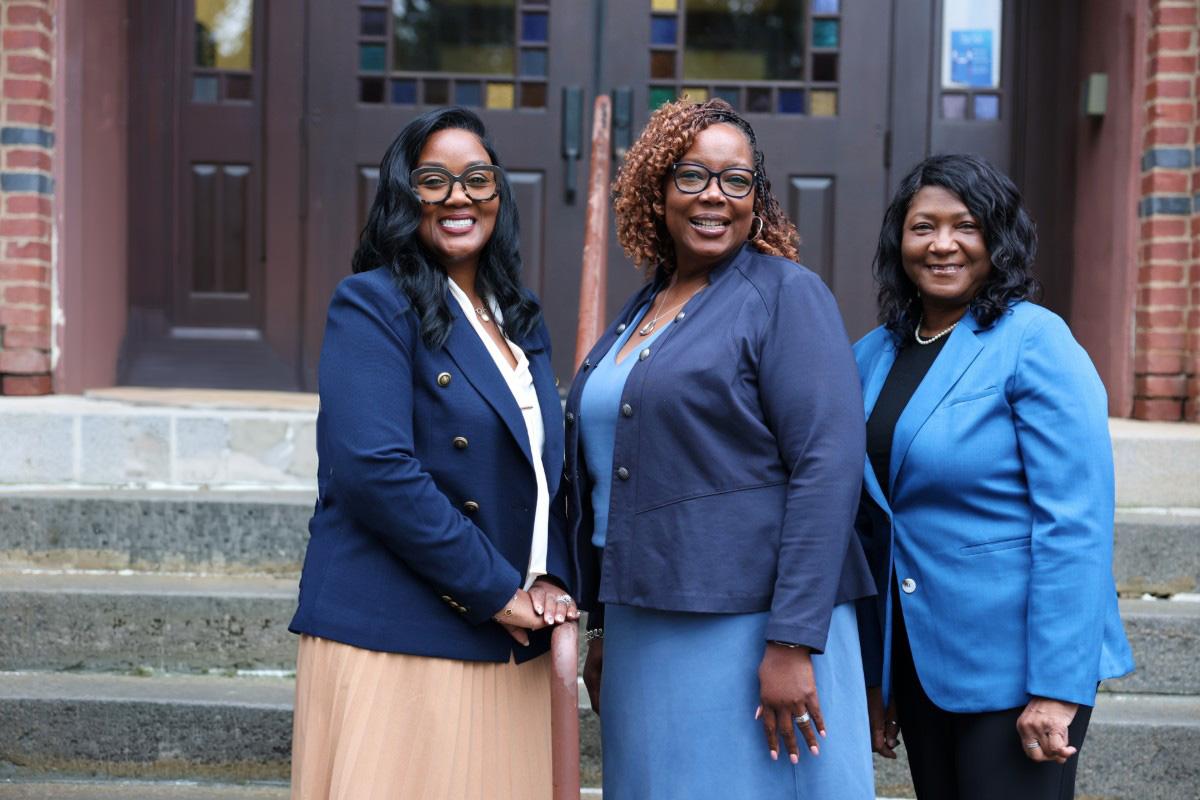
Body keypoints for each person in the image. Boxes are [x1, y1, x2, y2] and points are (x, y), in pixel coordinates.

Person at [565, 98, 876, 798]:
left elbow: (827, 469)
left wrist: (792, 641)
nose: (714, 195)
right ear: (657, 189)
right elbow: (621, 481)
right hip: (645, 623)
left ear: (756, 199)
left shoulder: (786, 295)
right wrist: (604, 627)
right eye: (692, 175)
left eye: (736, 180)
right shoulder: (646, 307)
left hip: (754, 627)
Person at [288, 107, 577, 800]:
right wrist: (496, 591)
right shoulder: (372, 303)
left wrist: (550, 577)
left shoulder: (518, 314)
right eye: (434, 180)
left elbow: (545, 467)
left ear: (499, 193)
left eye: (477, 179)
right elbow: (374, 470)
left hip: (511, 635)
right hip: (400, 631)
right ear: (403, 195)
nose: (458, 197)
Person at [854, 153, 1135, 799]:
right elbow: (869, 526)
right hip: (922, 662)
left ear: (998, 239)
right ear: (899, 240)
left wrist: (1057, 687)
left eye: (966, 226)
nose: (942, 244)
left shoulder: (1035, 341)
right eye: (923, 227)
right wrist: (876, 674)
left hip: (1019, 670)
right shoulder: (870, 355)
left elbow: (1076, 521)